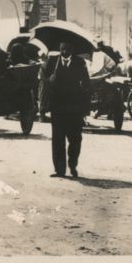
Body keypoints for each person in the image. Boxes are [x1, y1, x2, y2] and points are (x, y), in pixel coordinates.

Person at [44, 41, 91, 178]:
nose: (64, 51)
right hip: (57, 107)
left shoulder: (80, 63)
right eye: (62, 47)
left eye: (67, 48)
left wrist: (85, 108)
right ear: (59, 48)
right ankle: (59, 170)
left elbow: (87, 84)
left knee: (75, 139)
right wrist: (49, 80)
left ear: (72, 49)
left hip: (74, 108)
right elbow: (43, 79)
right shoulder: (53, 61)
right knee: (57, 140)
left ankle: (73, 165)